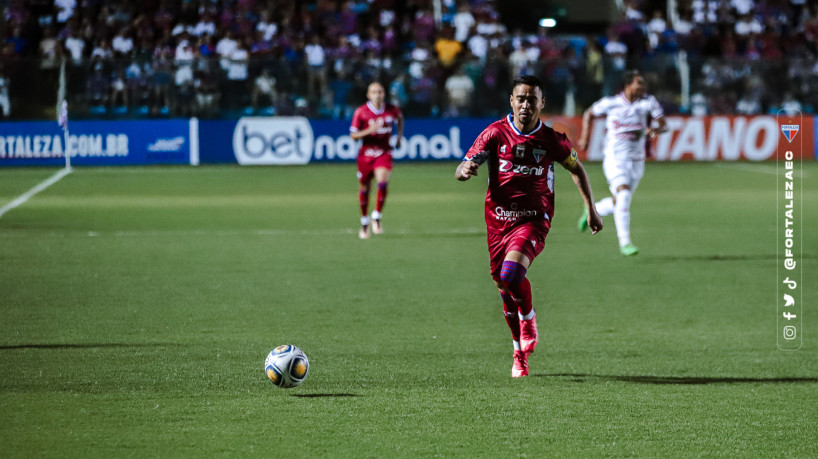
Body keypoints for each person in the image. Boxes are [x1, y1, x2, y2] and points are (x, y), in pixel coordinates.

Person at [455, 75, 603, 377]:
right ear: (511, 101)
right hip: (498, 221)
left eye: (531, 99)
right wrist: (465, 169)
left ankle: (529, 316)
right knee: (503, 285)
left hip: (534, 219)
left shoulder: (551, 140)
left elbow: (577, 169)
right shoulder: (495, 134)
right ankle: (518, 351)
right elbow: (464, 165)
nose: (525, 104)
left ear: (541, 103)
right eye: (520, 98)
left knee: (512, 274)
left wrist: (591, 209)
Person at [576, 70, 667, 256]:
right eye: (639, 83)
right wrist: (585, 137)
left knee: (620, 201)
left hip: (637, 160)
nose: (643, 86)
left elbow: (663, 125)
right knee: (624, 195)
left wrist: (653, 129)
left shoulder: (648, 102)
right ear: (628, 86)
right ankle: (625, 243)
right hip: (614, 158)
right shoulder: (611, 103)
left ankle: (592, 210)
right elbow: (589, 113)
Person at [350, 82, 404, 239]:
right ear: (368, 95)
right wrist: (369, 131)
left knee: (382, 182)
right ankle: (364, 221)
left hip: (384, 152)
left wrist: (399, 137)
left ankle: (377, 216)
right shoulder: (361, 112)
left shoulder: (391, 110)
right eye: (374, 92)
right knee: (365, 189)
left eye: (380, 91)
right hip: (366, 154)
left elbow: (400, 118)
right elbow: (353, 135)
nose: (378, 94)